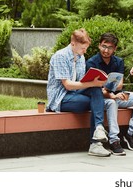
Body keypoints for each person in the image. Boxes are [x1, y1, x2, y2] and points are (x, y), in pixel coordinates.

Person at [46, 28, 111, 157]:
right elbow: (68, 85)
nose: (85, 51)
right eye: (83, 48)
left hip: (76, 93)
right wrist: (92, 83)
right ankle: (95, 143)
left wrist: (95, 82)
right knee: (94, 100)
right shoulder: (60, 56)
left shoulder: (80, 56)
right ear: (73, 43)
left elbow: (81, 81)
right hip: (61, 98)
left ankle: (98, 130)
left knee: (96, 90)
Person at [86, 33, 133, 152]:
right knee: (112, 103)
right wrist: (111, 94)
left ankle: (131, 133)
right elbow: (94, 90)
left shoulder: (118, 61)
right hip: (101, 99)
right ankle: (114, 140)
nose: (106, 50)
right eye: (104, 46)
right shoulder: (92, 63)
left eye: (110, 47)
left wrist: (113, 92)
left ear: (115, 49)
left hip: (116, 95)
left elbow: (119, 85)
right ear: (99, 45)